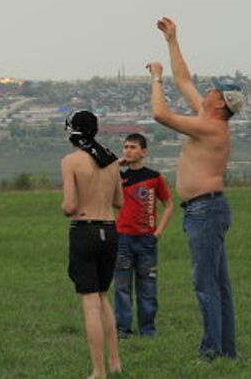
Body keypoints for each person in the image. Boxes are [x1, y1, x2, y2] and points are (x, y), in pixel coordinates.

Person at [146, 16, 244, 360]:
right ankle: (227, 352)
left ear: (221, 104)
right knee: (219, 286)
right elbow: (184, 79)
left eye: (214, 91)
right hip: (206, 210)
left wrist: (156, 77)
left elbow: (160, 114)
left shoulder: (211, 128)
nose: (208, 91)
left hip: (205, 210)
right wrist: (172, 40)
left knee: (207, 287)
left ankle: (211, 352)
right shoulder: (207, 116)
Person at [61, 110, 123, 378]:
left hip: (84, 231)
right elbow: (119, 202)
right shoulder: (111, 162)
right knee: (102, 296)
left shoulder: (71, 161)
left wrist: (66, 207)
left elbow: (70, 205)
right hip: (110, 231)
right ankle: (115, 363)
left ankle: (98, 371)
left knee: (89, 302)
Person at [114, 133, 174, 338]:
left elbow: (168, 205)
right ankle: (123, 330)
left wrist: (157, 233)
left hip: (147, 240)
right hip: (122, 238)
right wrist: (116, 164)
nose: (128, 150)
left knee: (147, 287)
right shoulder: (119, 177)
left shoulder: (155, 177)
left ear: (144, 151)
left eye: (132, 147)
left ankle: (147, 330)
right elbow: (100, 177)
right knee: (122, 287)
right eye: (125, 147)